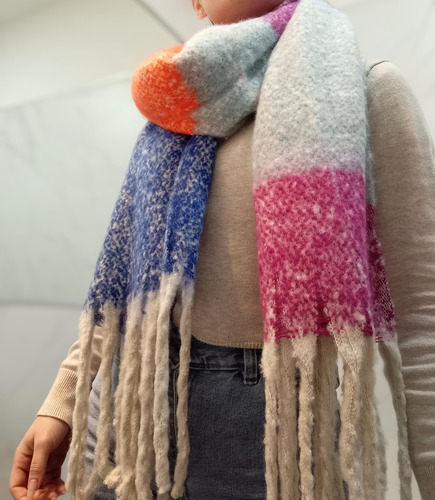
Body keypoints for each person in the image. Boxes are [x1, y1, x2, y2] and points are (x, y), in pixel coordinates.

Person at [10, 0, 435, 499]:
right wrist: (61, 404)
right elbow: (124, 285)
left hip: (267, 428)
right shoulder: (174, 106)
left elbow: (421, 307)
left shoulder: (366, 88)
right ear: (197, 3)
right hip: (131, 407)